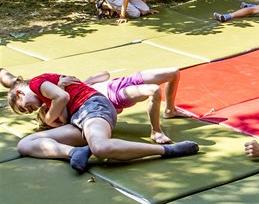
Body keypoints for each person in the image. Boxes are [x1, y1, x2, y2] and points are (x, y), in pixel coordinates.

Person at [7, 73, 199, 173]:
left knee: (100, 148)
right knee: (25, 144)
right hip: (79, 119)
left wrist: (48, 119)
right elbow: (64, 113)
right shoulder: (47, 96)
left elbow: (63, 97)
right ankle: (75, 152)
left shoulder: (36, 84)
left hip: (92, 106)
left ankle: (168, 151)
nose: (29, 111)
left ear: (19, 93)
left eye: (24, 108)